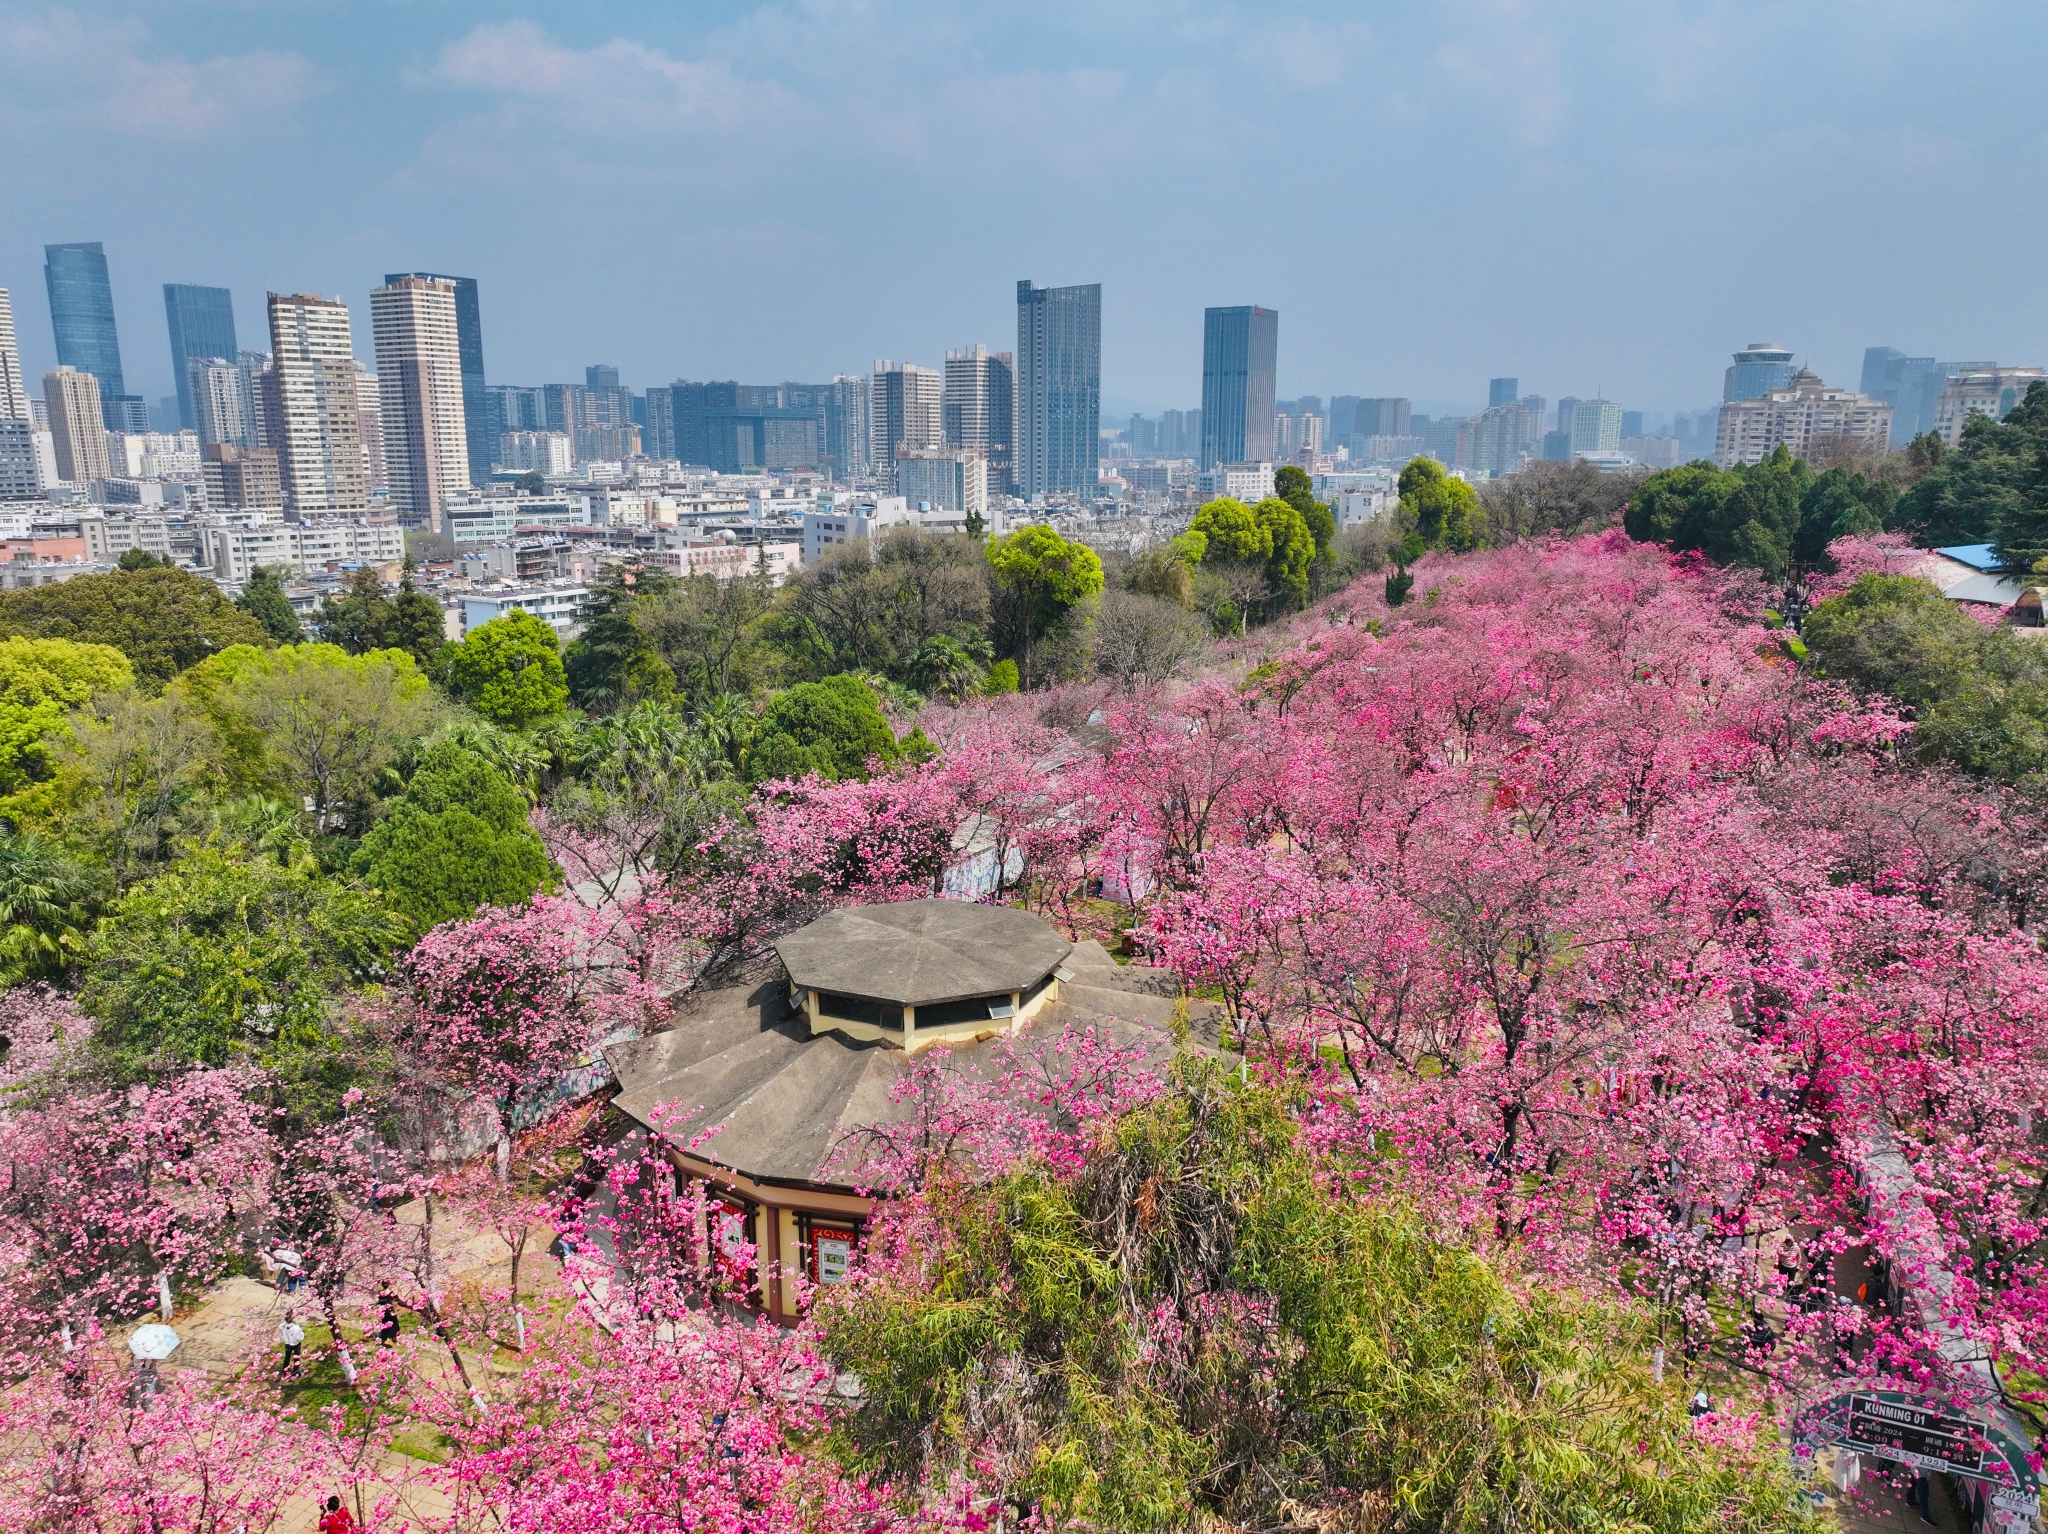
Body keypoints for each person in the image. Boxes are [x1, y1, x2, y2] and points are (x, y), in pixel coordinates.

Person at [277, 1310, 304, 1376]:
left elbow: (281, 1333)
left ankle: (285, 1371)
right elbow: (300, 1337)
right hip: (296, 1344)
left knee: (287, 1357)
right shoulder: (296, 1327)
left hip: (287, 1344)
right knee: (296, 1357)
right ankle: (295, 1372)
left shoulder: (281, 1326)